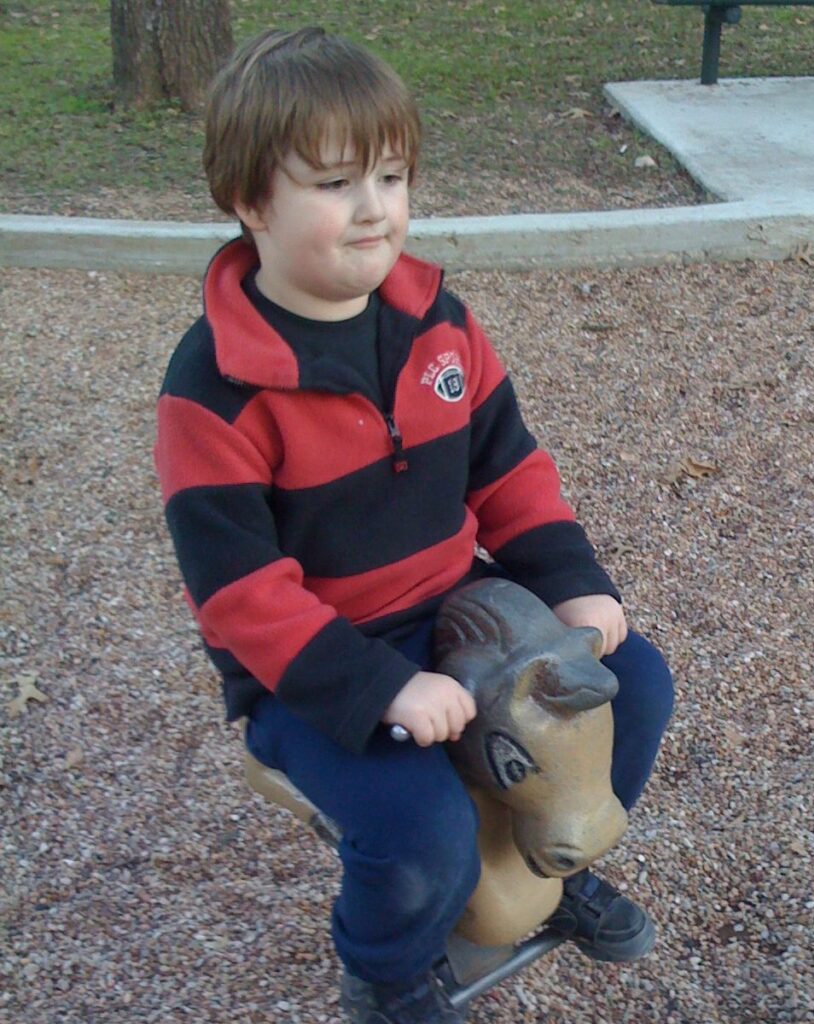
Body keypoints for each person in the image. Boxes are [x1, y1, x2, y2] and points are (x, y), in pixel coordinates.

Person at [154, 26, 674, 1024]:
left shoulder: (441, 323)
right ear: (250, 200)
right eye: (337, 183)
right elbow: (238, 598)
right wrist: (382, 686)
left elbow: (509, 467)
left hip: (454, 605)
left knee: (635, 685)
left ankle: (546, 872)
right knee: (418, 823)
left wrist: (572, 578)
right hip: (316, 665)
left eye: (391, 177)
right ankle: (386, 970)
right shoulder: (214, 390)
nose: (374, 208)